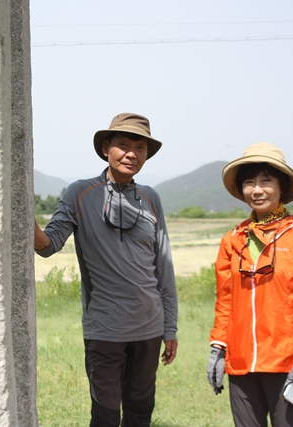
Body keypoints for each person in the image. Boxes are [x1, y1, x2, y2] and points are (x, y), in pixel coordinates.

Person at [34, 113, 178, 427]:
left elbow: (163, 267)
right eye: (123, 145)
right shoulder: (81, 193)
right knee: (105, 414)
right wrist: (24, 216)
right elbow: (47, 245)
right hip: (105, 329)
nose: (131, 153)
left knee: (141, 410)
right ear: (105, 149)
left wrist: (171, 328)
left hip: (150, 326)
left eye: (140, 148)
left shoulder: (150, 198)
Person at [207, 143, 293, 427]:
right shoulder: (233, 239)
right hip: (241, 362)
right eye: (250, 182)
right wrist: (218, 347)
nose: (257, 189)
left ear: (281, 186)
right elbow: (226, 300)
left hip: (288, 360)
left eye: (266, 180)